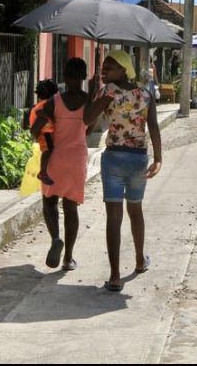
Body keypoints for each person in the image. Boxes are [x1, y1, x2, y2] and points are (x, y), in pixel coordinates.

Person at [84, 50, 162, 292]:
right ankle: (139, 260)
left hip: (114, 158)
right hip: (138, 158)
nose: (104, 70)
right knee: (135, 211)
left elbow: (87, 118)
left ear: (124, 69)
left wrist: (92, 93)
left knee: (114, 217)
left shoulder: (108, 92)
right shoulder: (146, 94)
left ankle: (115, 276)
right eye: (104, 66)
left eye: (110, 66)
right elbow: (154, 127)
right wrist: (158, 158)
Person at [30, 59, 89, 271]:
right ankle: (68, 258)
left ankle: (55, 238)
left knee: (49, 201)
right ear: (83, 77)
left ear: (64, 77)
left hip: (55, 157)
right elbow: (89, 130)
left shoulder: (53, 101)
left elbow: (35, 130)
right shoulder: (88, 101)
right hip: (76, 159)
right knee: (71, 207)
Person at [29, 80, 58, 185]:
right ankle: (43, 172)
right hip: (44, 132)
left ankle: (44, 171)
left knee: (48, 150)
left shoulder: (39, 104)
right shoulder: (45, 105)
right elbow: (44, 116)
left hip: (44, 132)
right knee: (48, 150)